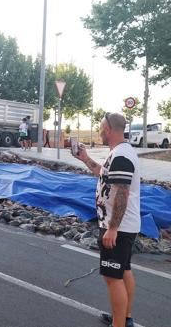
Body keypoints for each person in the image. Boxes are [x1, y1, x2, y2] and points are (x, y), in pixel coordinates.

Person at [73, 112, 140, 327]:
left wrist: (112, 228)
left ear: (109, 130)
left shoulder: (121, 156)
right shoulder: (120, 153)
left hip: (117, 227)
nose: (100, 131)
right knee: (124, 270)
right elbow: (104, 174)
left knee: (113, 277)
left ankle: (119, 324)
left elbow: (122, 193)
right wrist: (85, 159)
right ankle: (124, 318)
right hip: (121, 226)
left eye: (101, 128)